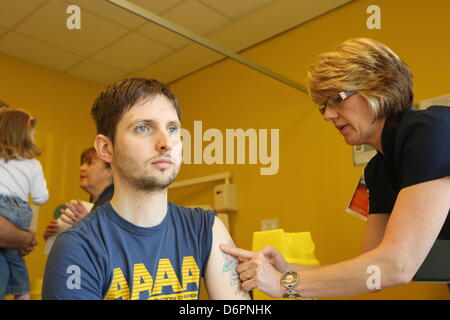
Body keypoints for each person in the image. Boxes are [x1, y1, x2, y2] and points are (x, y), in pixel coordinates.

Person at [221, 38, 450, 299]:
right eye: (324, 106)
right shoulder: (378, 170)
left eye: (336, 99)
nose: (327, 115)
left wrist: (285, 283)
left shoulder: (431, 131)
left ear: (379, 88)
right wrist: (286, 270)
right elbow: (373, 265)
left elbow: (396, 266)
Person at [42, 78, 250, 300]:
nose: (165, 143)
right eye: (143, 128)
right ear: (106, 148)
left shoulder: (206, 228)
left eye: (172, 128)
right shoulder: (78, 247)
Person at [0, 109, 49, 300]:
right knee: (14, 255)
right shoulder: (33, 164)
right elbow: (40, 198)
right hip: (21, 211)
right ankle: (23, 292)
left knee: (9, 252)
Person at [43, 147, 114, 240]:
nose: (82, 168)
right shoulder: (95, 205)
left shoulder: (116, 206)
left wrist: (87, 223)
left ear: (109, 171)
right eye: (82, 163)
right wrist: (56, 238)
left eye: (89, 163)